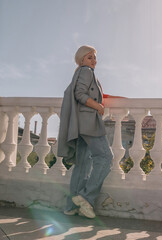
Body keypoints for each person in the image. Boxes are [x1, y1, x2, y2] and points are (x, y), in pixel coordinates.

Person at [58, 45, 120, 218]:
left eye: (94, 57)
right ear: (81, 60)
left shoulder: (79, 73)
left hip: (79, 125)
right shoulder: (86, 71)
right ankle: (86, 198)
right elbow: (80, 94)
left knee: (82, 164)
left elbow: (84, 92)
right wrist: (98, 106)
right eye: (89, 57)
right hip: (88, 123)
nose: (94, 60)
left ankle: (72, 207)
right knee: (106, 157)